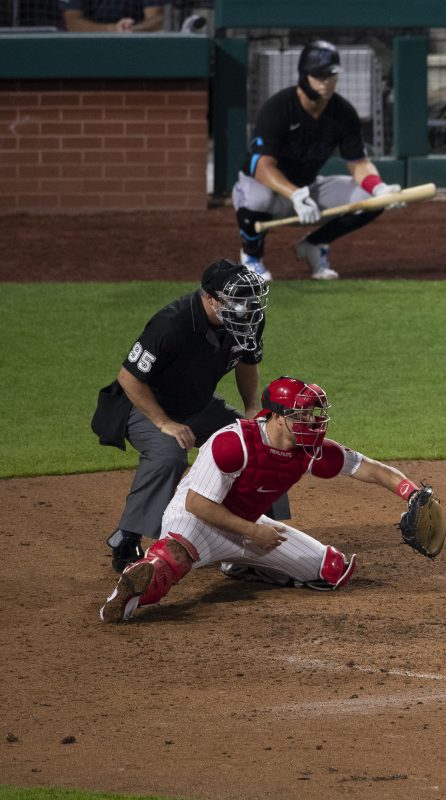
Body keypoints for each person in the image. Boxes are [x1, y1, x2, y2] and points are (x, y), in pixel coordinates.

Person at [100, 376, 439, 623]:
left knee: (332, 570)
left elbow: (370, 468)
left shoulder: (309, 450)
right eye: (302, 415)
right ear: (277, 416)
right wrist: (251, 531)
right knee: (168, 564)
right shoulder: (234, 444)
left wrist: (411, 492)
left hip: (248, 528)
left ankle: (241, 564)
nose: (313, 422)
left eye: (315, 414)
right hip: (198, 520)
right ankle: (126, 596)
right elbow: (197, 504)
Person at [94, 259, 287, 573]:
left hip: (198, 405)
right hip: (143, 405)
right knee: (168, 454)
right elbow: (129, 378)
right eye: (237, 300)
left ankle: (253, 536)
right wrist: (163, 423)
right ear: (210, 298)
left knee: (259, 443)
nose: (246, 308)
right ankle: (126, 538)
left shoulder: (249, 317)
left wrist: (252, 406)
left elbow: (247, 362)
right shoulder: (172, 324)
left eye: (250, 299)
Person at [233, 40, 402, 282]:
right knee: (258, 199)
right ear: (304, 76)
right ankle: (252, 257)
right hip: (268, 187)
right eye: (318, 75)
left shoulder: (343, 112)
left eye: (331, 75)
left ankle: (315, 244)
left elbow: (358, 163)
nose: (325, 82)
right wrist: (294, 195)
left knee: (371, 201)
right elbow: (261, 168)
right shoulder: (278, 107)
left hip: (307, 187)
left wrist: (378, 187)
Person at [60, 0, 164, 32]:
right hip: (88, 47)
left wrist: (131, 29)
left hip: (135, 46)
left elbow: (157, 19)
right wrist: (112, 29)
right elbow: (71, 22)